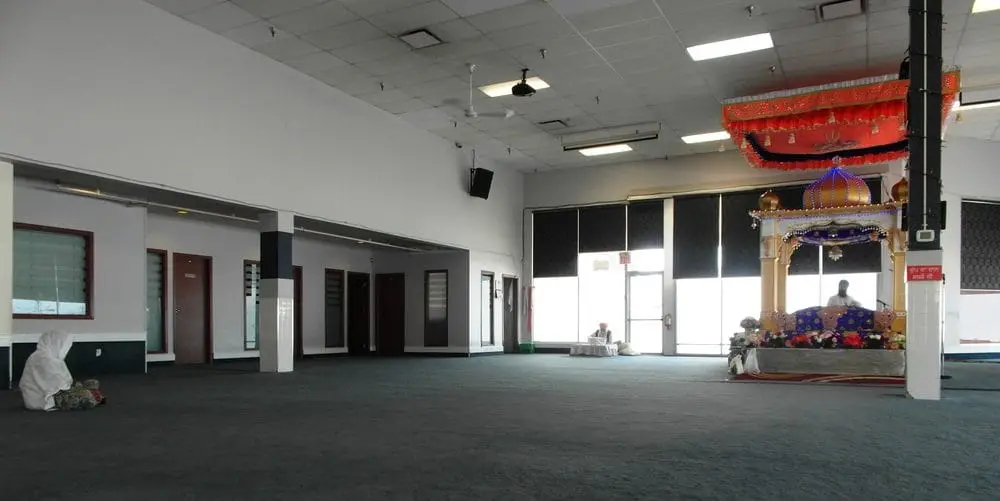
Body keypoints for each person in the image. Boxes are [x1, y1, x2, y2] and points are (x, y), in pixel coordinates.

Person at [18, 331, 105, 411]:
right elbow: (57, 385)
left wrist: (75, 387)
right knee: (85, 395)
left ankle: (90, 396)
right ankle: (90, 397)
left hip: (53, 393)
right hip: (44, 399)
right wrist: (76, 389)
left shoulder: (51, 358)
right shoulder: (43, 358)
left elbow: (64, 382)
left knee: (92, 384)